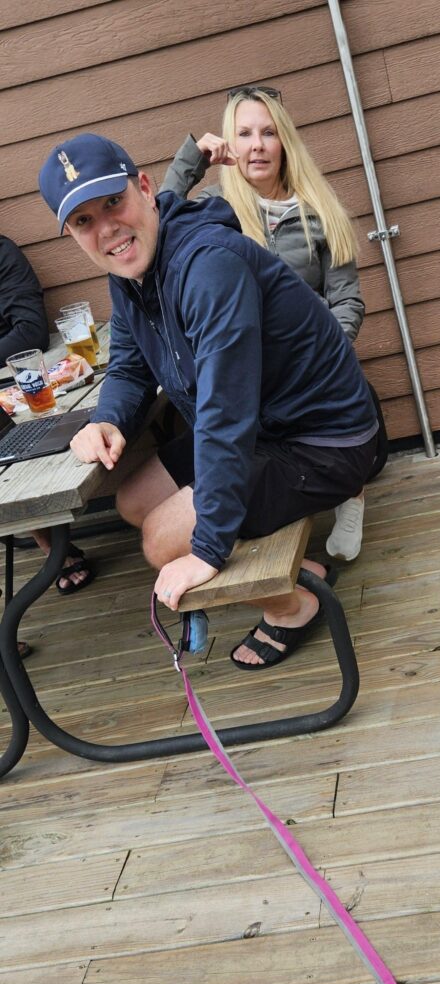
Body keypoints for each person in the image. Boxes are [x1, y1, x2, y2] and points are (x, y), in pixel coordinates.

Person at [38, 133, 382, 669]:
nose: (107, 229)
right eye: (83, 221)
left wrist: (206, 552)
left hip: (323, 442)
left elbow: (225, 414)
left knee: (162, 540)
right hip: (264, 430)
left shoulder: (207, 266)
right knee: (132, 499)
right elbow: (129, 366)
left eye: (113, 202)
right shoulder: (130, 276)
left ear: (145, 188)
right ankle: (297, 570)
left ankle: (294, 606)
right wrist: (108, 419)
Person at [162, 85, 374, 562]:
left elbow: (348, 301)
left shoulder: (320, 212)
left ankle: (352, 493)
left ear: (284, 143)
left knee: (345, 409)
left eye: (268, 132)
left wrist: (323, 359)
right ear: (230, 146)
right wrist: (191, 161)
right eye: (244, 133)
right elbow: (154, 223)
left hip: (312, 375)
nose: (257, 144)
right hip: (244, 371)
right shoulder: (214, 208)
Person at [0, 233, 95, 608]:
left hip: (16, 381)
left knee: (22, 434)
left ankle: (50, 542)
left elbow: (28, 332)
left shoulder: (2, 252)